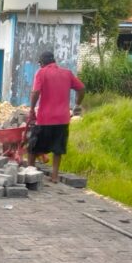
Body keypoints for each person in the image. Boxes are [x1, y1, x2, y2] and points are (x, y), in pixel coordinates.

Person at [27, 49, 85, 182]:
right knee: (58, 148)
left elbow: (35, 92)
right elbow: (81, 89)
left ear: (42, 63)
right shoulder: (67, 73)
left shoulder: (41, 72)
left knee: (33, 147)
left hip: (45, 118)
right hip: (62, 119)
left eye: (40, 63)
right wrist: (77, 104)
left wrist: (31, 110)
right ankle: (54, 176)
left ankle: (30, 172)